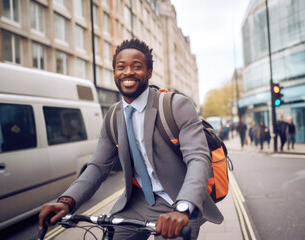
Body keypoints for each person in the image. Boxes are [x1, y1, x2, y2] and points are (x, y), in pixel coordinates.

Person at [38, 39, 223, 240]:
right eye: (121, 67)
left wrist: (184, 207)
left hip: (176, 201)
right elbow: (98, 167)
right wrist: (67, 201)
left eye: (137, 67)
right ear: (115, 74)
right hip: (137, 203)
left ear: (149, 73)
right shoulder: (112, 116)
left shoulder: (176, 106)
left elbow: (198, 158)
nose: (128, 72)